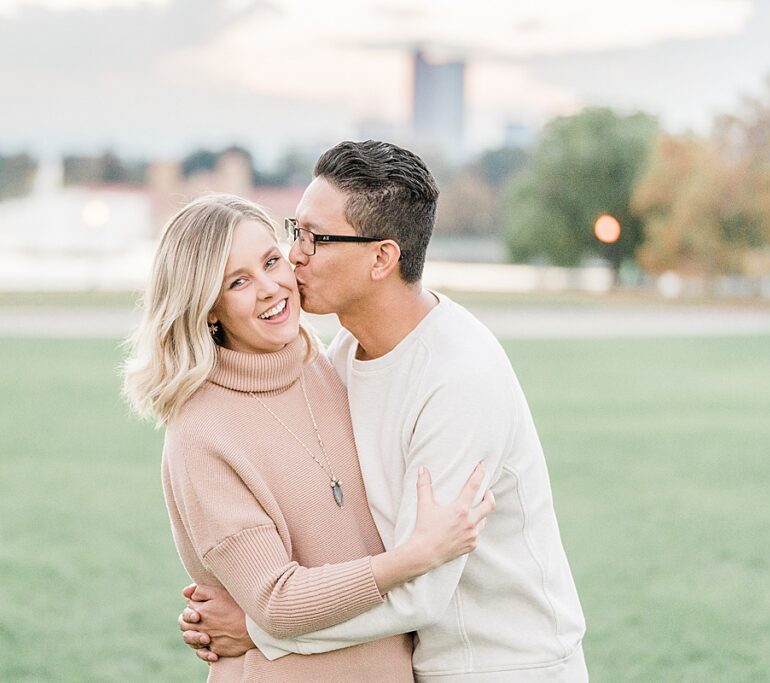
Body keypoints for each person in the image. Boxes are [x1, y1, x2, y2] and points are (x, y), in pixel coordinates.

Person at [178, 141, 589, 682]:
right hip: (419, 665)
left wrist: (257, 628)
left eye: (316, 239)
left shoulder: (458, 379)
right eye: (294, 231)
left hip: (504, 665)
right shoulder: (342, 357)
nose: (295, 255)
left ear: (381, 258)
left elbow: (422, 591)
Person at [122, 193, 495, 681]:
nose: (271, 287)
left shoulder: (330, 367)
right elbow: (276, 599)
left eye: (272, 261)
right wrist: (414, 557)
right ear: (208, 309)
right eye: (238, 281)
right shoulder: (200, 433)